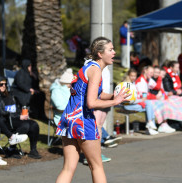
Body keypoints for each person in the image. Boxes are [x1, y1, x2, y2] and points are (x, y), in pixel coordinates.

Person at [55, 37, 130, 183]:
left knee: (68, 168)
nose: (114, 52)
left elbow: (97, 94)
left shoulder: (87, 67)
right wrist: (116, 102)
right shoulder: (96, 71)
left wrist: (114, 96)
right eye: (110, 49)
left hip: (69, 118)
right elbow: (91, 102)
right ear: (100, 54)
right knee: (96, 166)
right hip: (82, 120)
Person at [0, 74, 41, 159]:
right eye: (1, 84)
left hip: (15, 119)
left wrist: (23, 114)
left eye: (5, 84)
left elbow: (17, 108)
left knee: (34, 124)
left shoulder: (10, 95)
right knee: (25, 125)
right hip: (4, 122)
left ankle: (33, 150)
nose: (4, 86)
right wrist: (18, 117)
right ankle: (11, 149)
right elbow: (2, 113)